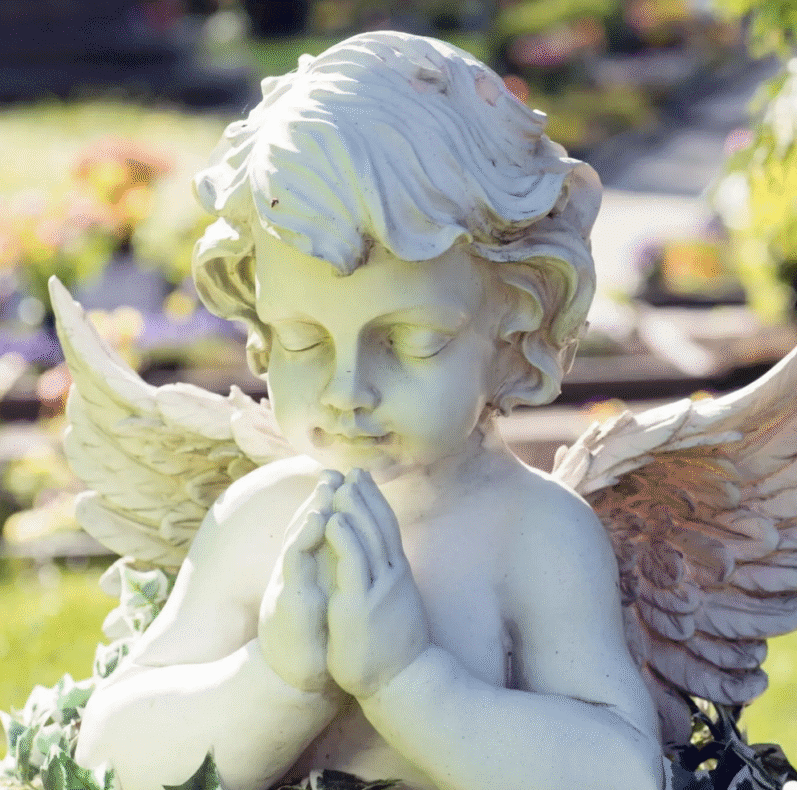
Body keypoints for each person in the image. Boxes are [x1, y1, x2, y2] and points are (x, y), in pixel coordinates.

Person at [74, 30, 668, 790]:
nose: (347, 387)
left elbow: (621, 772)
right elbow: (109, 756)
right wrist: (277, 680)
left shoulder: (535, 536)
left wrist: (409, 681)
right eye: (301, 340)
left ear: (515, 324)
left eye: (412, 341)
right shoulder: (257, 521)